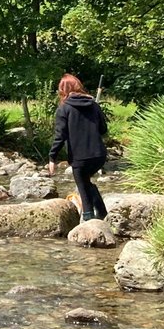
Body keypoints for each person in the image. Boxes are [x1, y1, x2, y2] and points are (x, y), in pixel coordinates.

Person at [48, 73, 109, 221]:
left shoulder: (64, 109)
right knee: (86, 182)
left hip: (79, 157)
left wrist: (52, 158)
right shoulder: (94, 104)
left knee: (83, 186)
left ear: (62, 90)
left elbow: (60, 136)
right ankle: (103, 214)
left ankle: (89, 218)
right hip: (99, 155)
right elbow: (103, 130)